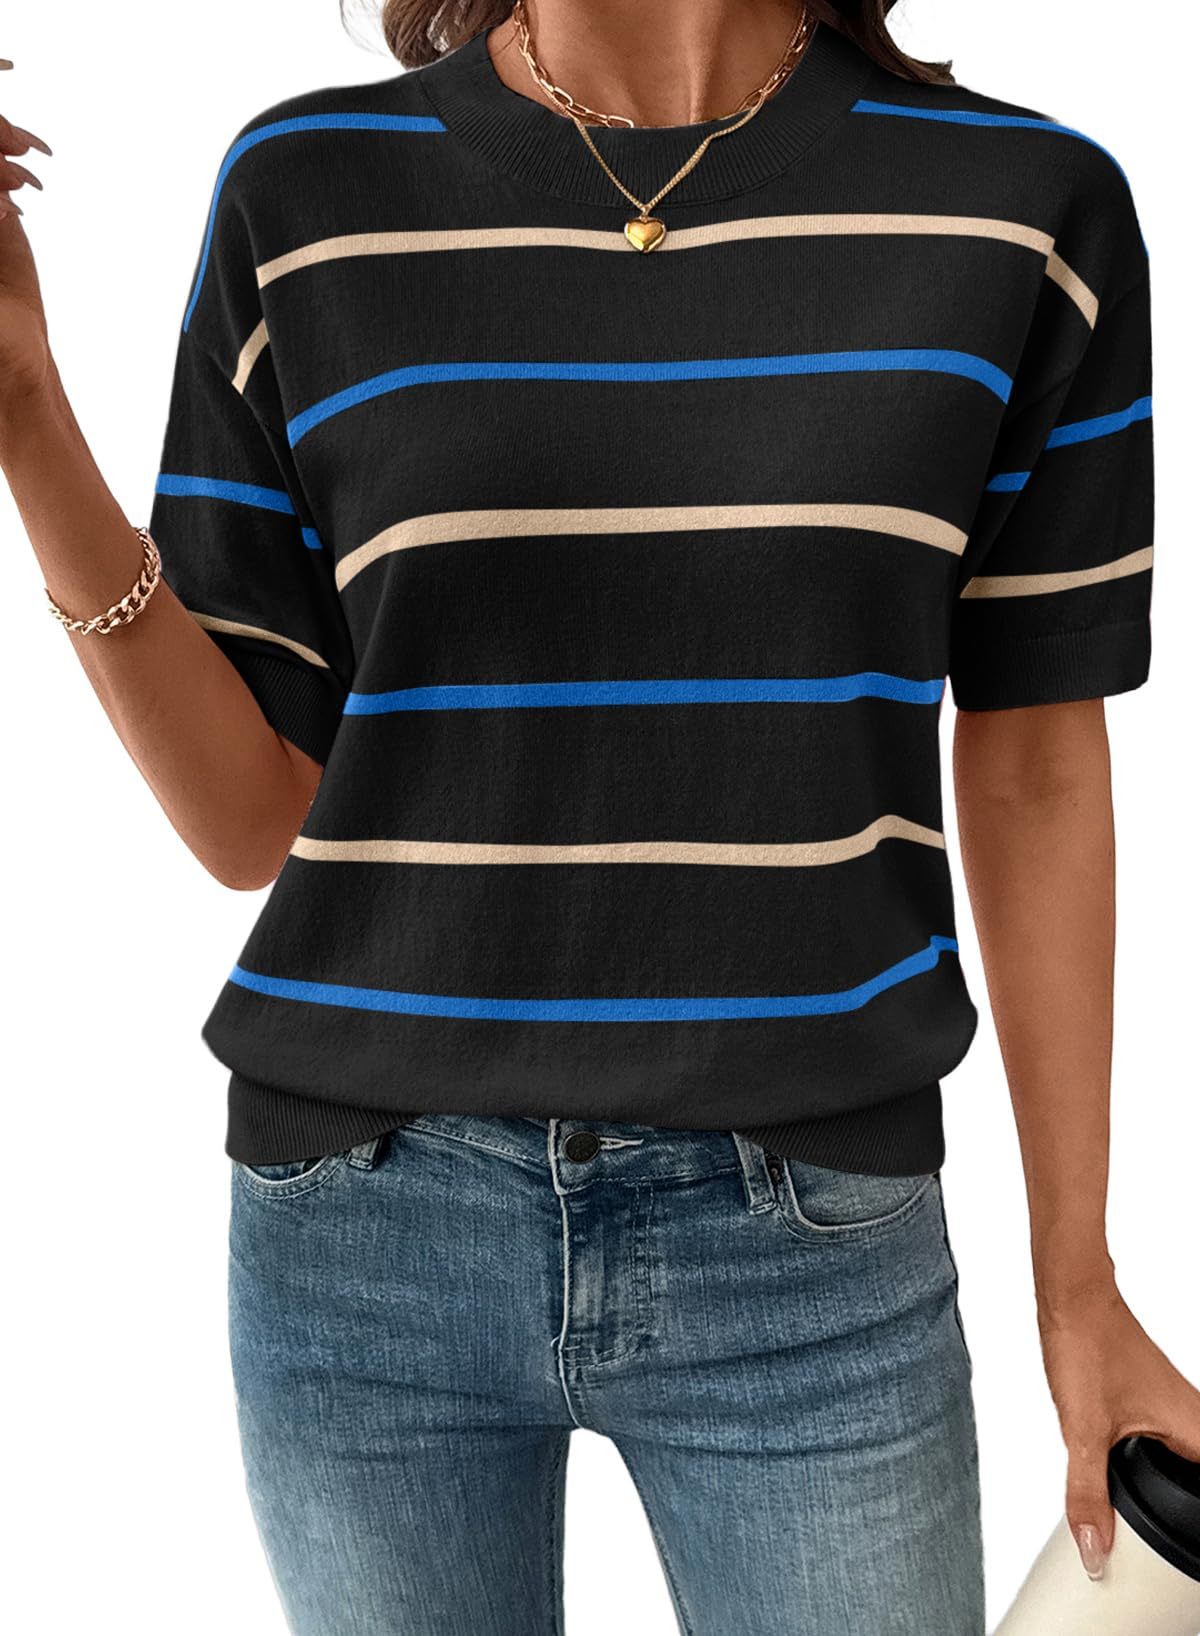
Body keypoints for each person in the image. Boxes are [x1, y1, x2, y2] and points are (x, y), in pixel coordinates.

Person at [2, 2, 1198, 1631]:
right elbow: (248, 822)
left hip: (812, 1244)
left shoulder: (1022, 208)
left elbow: (1038, 762)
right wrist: (25, 413)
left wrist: (1081, 1285)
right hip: (369, 1237)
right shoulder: (309, 189)